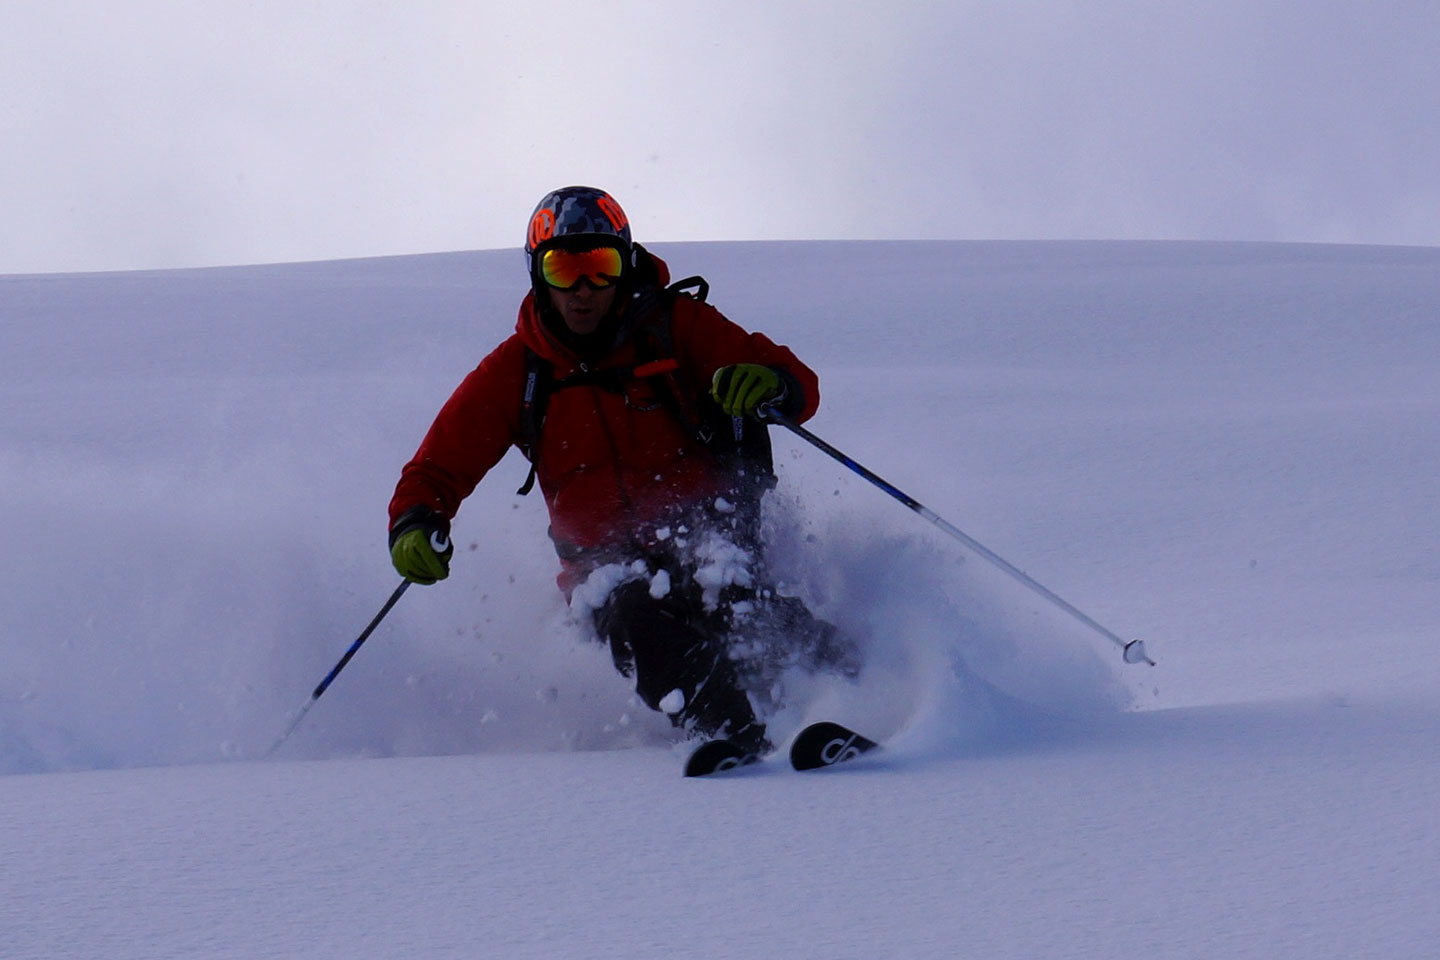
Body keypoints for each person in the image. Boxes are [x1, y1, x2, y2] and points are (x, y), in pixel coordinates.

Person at [387, 185, 851, 755]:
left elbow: (794, 382)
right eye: (564, 268)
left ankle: (863, 692)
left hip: (709, 528)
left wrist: (771, 384)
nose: (583, 289)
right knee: (633, 611)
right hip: (602, 565)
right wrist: (415, 522)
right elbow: (437, 465)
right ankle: (731, 732)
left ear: (625, 265)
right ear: (538, 275)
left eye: (600, 267)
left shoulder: (677, 327)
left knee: (730, 596)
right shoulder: (519, 372)